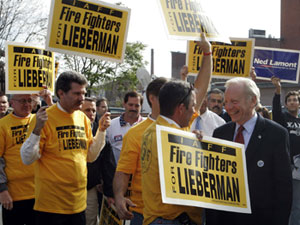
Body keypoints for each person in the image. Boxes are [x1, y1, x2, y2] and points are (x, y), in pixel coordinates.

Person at [20, 71, 111, 225]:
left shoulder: (82, 118)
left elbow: (90, 156)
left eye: (83, 93)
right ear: (61, 93)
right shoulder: (43, 119)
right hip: (51, 207)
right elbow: (27, 158)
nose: (82, 98)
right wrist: (37, 130)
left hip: (78, 204)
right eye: (77, 93)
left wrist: (101, 131)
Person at [141, 32, 212, 225]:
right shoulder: (171, 136)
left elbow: (200, 89)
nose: (195, 110)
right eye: (192, 107)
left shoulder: (157, 128)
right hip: (170, 220)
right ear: (181, 109)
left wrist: (208, 54)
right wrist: (197, 146)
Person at [205, 77, 292, 225]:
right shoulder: (220, 133)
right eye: (226, 102)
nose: (229, 107)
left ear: (253, 101)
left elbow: (283, 189)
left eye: (234, 102)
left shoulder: (276, 134)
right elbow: (214, 183)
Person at [113, 77, 168, 224]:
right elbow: (123, 170)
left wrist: (207, 54)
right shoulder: (135, 133)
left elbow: (199, 91)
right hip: (143, 214)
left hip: (178, 216)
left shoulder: (182, 126)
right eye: (168, 95)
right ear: (152, 99)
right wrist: (119, 197)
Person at [0, 94, 36, 225]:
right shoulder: (2, 125)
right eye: (22, 101)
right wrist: (2, 190)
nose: (26, 104)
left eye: (29, 100)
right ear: (11, 103)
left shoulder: (39, 120)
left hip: (41, 193)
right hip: (13, 196)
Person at [81, 97, 115, 225]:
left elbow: (108, 163)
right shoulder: (70, 129)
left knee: (89, 220)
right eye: (87, 110)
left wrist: (110, 191)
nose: (91, 114)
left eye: (93, 110)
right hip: (67, 189)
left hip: (90, 188)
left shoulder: (100, 130)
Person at [271, 76, 300, 225]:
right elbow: (275, 111)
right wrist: (278, 90)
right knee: (286, 202)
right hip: (286, 167)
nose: (293, 102)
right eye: (289, 100)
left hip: (299, 169)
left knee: (297, 205)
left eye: (295, 100)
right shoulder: (282, 118)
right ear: (286, 104)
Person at [106, 91, 144, 164]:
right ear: (124, 104)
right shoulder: (111, 125)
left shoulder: (147, 126)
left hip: (140, 173)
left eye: (137, 105)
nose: (133, 108)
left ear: (141, 106)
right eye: (130, 105)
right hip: (116, 171)